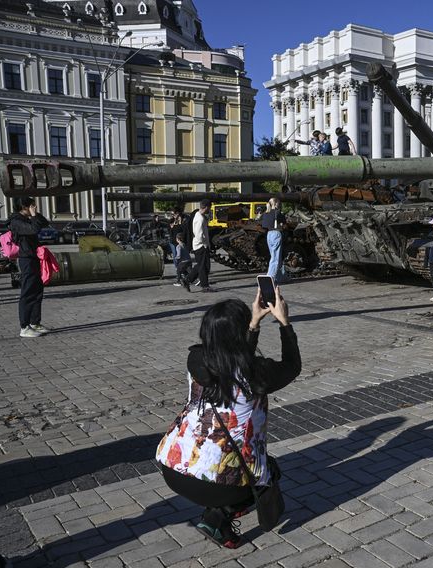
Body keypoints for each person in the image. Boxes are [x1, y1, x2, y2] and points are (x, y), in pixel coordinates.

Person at [156, 287, 300, 548]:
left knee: (245, 468)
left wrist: (253, 324)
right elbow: (291, 367)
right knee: (268, 473)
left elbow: (234, 363)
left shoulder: (197, 359)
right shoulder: (258, 373)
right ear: (238, 334)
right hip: (215, 486)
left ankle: (216, 514)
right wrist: (283, 322)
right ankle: (218, 517)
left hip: (172, 468)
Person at [9, 197, 50, 338]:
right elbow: (33, 230)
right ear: (24, 207)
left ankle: (34, 322)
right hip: (26, 258)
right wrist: (33, 216)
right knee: (27, 292)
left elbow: (44, 223)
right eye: (32, 206)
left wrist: (36, 215)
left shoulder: (27, 218)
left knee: (37, 291)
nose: (34, 207)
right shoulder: (16, 221)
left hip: (34, 256)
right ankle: (24, 327)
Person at [184, 200, 214, 293]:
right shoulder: (199, 218)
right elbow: (198, 234)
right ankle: (205, 286)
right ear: (206, 207)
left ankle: (187, 280)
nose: (210, 209)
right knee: (204, 267)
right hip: (200, 246)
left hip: (201, 245)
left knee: (202, 266)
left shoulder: (200, 216)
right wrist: (204, 244)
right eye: (209, 208)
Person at [260, 198, 285, 282]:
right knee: (276, 257)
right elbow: (284, 224)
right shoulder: (278, 213)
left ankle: (280, 276)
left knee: (274, 256)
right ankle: (270, 277)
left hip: (269, 235)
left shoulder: (265, 214)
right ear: (276, 204)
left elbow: (264, 225)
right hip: (276, 234)